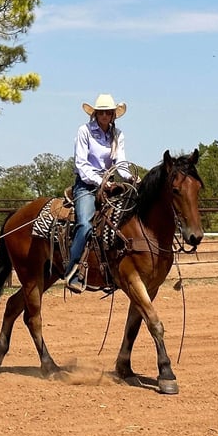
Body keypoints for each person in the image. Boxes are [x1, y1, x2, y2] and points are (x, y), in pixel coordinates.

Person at [64, 93, 129, 293]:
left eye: (108, 112)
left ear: (113, 115)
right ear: (96, 114)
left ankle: (116, 269)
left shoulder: (117, 135)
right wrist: (101, 181)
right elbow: (81, 164)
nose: (105, 116)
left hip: (109, 184)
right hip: (86, 185)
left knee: (126, 220)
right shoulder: (84, 131)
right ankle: (73, 270)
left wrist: (131, 179)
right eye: (101, 112)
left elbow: (121, 163)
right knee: (85, 224)